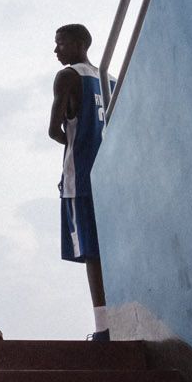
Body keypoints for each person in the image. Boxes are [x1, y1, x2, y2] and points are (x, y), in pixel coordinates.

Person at [50, 23, 112, 340]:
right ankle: (116, 320)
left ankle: (103, 327)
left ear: (79, 44)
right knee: (110, 248)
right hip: (110, 174)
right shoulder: (109, 79)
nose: (56, 50)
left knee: (91, 253)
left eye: (60, 43)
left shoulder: (68, 76)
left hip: (81, 173)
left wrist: (78, 142)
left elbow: (53, 130)